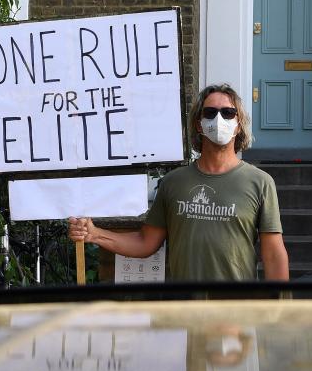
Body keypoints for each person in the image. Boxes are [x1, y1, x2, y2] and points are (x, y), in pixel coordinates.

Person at [69, 84, 289, 281]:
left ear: (238, 124)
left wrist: (279, 310)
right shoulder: (174, 182)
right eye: (210, 112)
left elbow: (273, 254)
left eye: (228, 113)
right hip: (182, 311)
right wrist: (94, 234)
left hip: (236, 311)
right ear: (199, 124)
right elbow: (146, 242)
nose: (218, 119)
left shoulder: (260, 182)